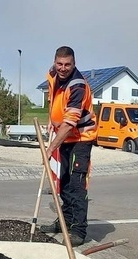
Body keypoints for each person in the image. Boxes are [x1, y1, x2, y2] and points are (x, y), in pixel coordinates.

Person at [39, 46, 97, 247]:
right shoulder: (53, 75)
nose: (63, 68)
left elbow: (70, 121)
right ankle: (64, 220)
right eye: (60, 64)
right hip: (64, 136)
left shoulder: (77, 86)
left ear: (74, 64)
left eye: (68, 65)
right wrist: (51, 119)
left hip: (81, 137)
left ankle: (78, 230)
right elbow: (52, 99)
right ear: (55, 62)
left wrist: (49, 149)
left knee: (76, 184)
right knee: (62, 182)